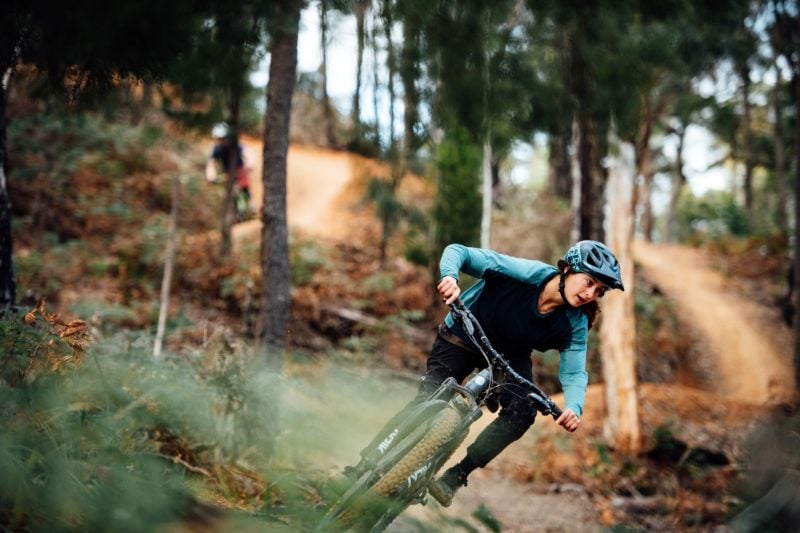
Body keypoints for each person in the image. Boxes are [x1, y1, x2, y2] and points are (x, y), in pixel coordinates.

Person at [358, 240, 624, 507]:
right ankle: (362, 468)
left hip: (509, 356)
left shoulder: (575, 322)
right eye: (589, 282)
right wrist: (450, 278)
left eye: (599, 290)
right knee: (429, 400)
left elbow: (575, 372)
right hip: (465, 332)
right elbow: (458, 252)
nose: (590, 293)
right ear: (566, 269)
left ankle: (457, 475)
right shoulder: (524, 274)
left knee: (522, 414)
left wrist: (574, 407)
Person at [206, 124, 251, 220]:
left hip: (239, 171)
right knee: (225, 192)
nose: (221, 141)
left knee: (244, 187)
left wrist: (250, 164)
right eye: (218, 139)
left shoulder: (237, 145)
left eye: (223, 138)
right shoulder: (216, 148)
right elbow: (211, 163)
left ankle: (249, 204)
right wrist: (210, 174)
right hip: (227, 174)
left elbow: (247, 153)